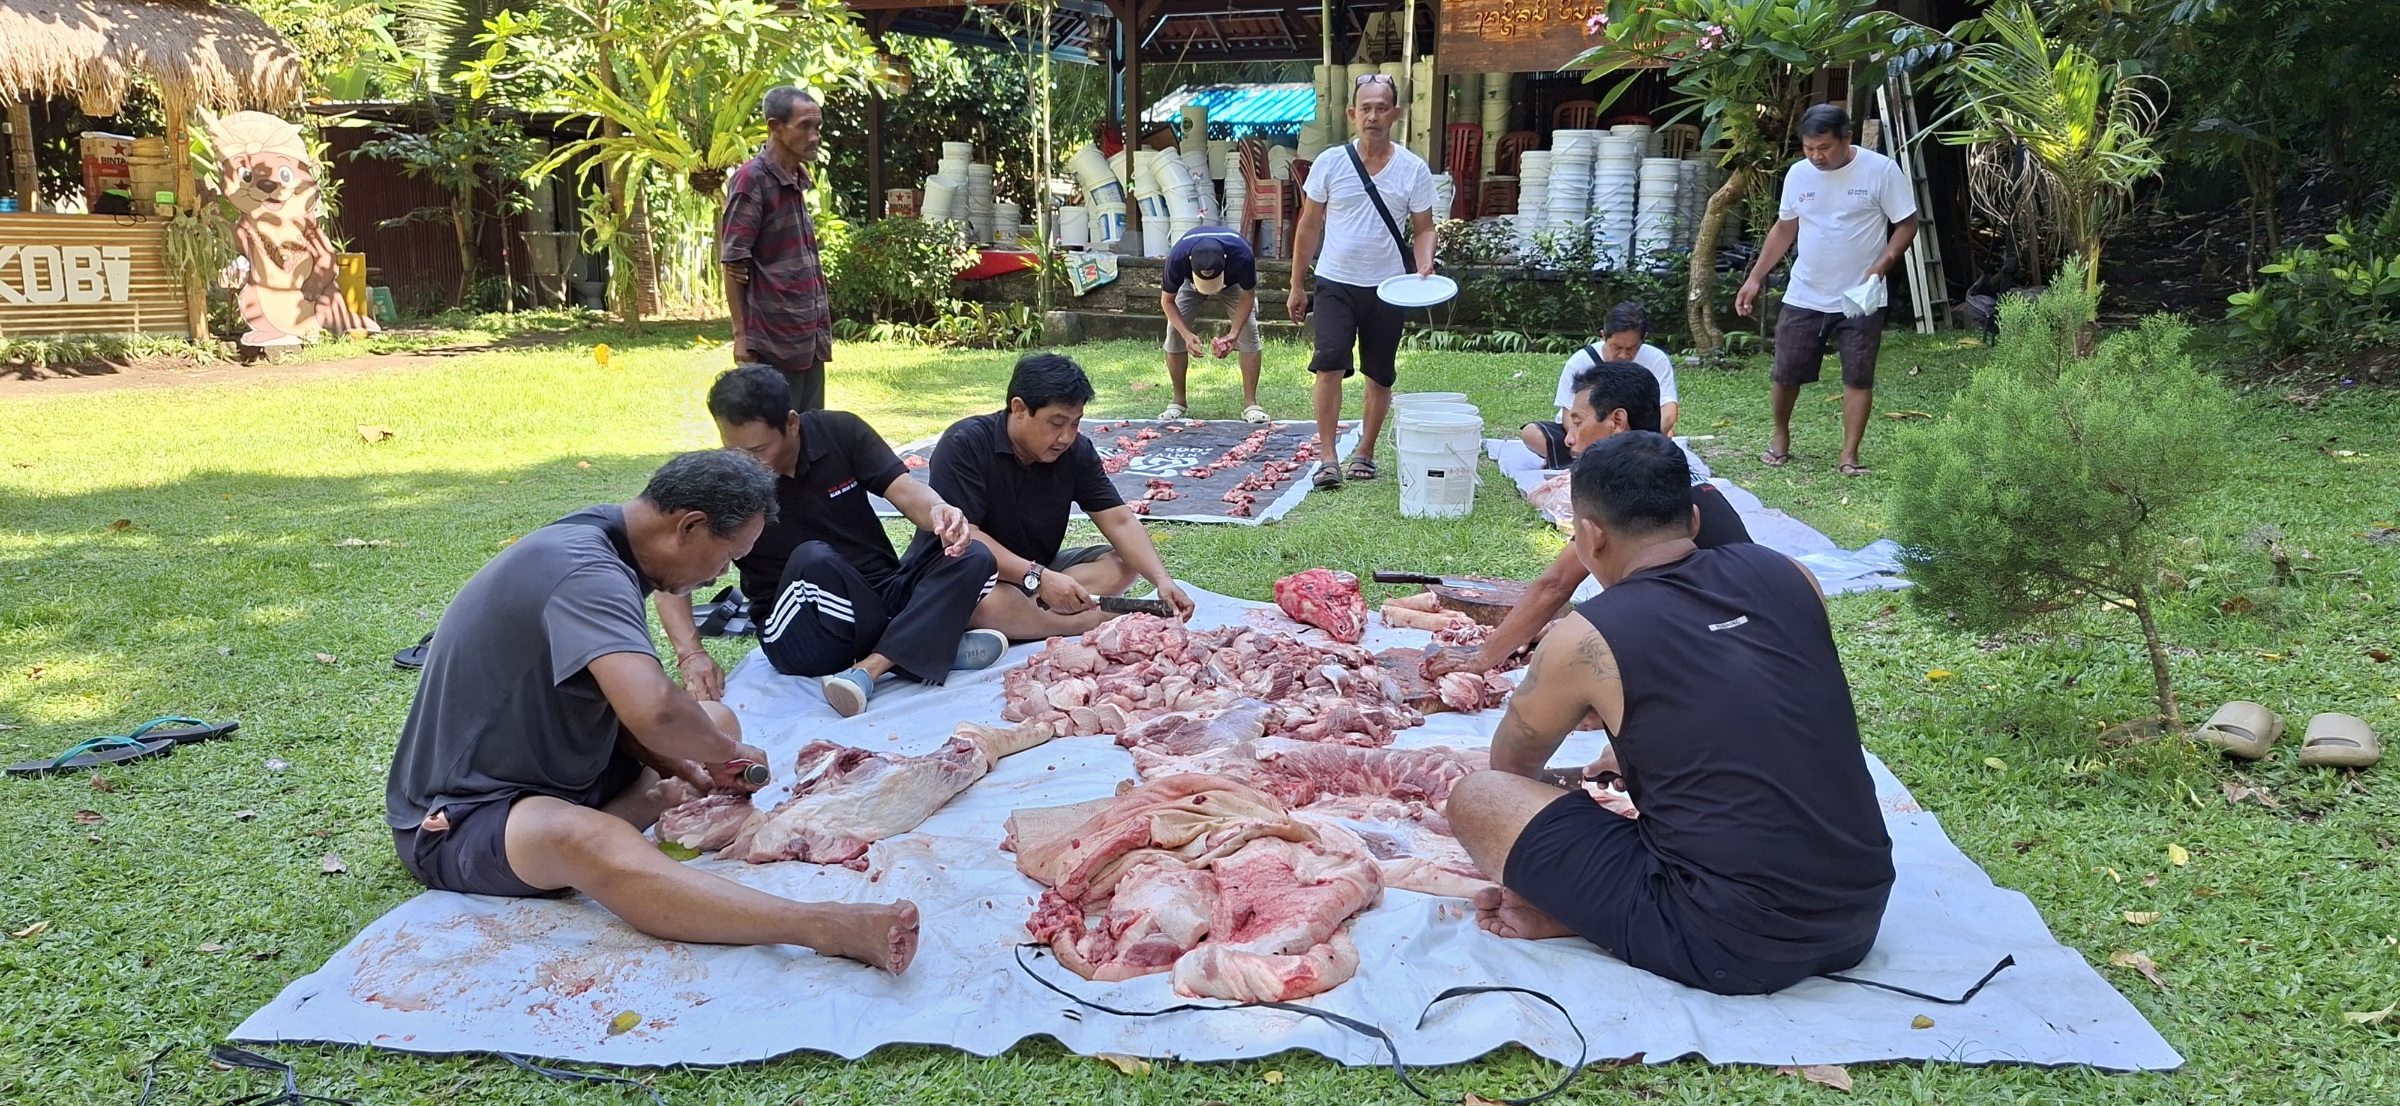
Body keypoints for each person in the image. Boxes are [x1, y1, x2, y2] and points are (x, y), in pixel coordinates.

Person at [384, 450, 919, 972]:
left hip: (565, 773)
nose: (718, 577)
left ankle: (646, 807)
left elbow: (619, 709)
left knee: (713, 722)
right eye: (727, 555)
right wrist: (726, 757)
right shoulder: (585, 572)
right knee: (590, 837)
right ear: (689, 526)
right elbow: (655, 713)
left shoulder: (604, 545)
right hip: (466, 815)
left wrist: (688, 762)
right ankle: (818, 926)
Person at [1443, 432, 1892, 995]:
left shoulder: (1588, 636)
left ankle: (1584, 912)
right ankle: (1602, 908)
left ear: (1590, 535)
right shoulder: (1790, 575)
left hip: (1728, 942)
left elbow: (1510, 768)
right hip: (1857, 914)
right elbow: (1764, 706)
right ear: (1696, 521)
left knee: (1478, 797)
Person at [656, 365, 1007, 719]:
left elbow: (904, 490)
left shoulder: (839, 431)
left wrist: (941, 511)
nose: (746, 463)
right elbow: (670, 573)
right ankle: (923, 644)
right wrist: (691, 654)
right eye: (732, 450)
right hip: (800, 625)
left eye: (758, 449)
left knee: (974, 555)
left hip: (876, 597)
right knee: (814, 559)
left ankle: (877, 664)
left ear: (792, 423)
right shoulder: (724, 480)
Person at [1429, 362, 1748, 678]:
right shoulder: (1663, 465)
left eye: (1578, 423)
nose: (1569, 439)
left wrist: (1482, 655)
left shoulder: (1632, 485)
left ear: (1618, 421)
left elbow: (1557, 584)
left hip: (1718, 648)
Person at [912, 352, 1197, 640]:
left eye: (1075, 423)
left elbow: (1120, 521)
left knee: (1126, 565)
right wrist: (1039, 577)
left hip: (1035, 574)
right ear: (1019, 409)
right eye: (1056, 423)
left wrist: (1162, 580)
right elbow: (965, 538)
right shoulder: (964, 444)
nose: (1066, 437)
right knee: (986, 603)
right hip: (963, 573)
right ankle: (1081, 622)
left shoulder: (1077, 452)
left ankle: (1024, 619)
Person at [1736, 103, 1918, 478]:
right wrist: (1755, 277)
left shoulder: (1880, 170)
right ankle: (1781, 436)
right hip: (1805, 291)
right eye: (1808, 148)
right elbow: (1784, 229)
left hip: (1860, 296)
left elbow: (1907, 224)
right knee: (1785, 372)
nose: (1816, 156)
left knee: (1858, 375)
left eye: (1824, 148)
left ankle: (1849, 455)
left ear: (1846, 139)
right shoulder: (1798, 175)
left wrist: (1882, 265)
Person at [1285, 71, 1439, 491]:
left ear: (1396, 114)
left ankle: (1366, 453)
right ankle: (1328, 457)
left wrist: (1424, 263)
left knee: (1380, 373)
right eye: (1365, 108)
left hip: (1389, 288)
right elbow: (1308, 226)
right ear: (1353, 114)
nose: (1373, 116)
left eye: (1381, 108)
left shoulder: (1412, 168)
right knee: (1329, 365)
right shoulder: (1331, 162)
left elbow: (1424, 228)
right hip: (1335, 282)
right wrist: (1298, 284)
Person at [722, 86, 833, 414]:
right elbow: (732, 262)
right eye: (804, 126)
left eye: (818, 127)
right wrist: (741, 337)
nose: (814, 136)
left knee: (812, 436)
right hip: (772, 342)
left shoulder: (798, 178)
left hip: (808, 341)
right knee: (774, 441)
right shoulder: (751, 180)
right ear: (775, 126)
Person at [1519, 302, 1680, 468]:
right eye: (1616, 347)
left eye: (1633, 348)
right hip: (1585, 431)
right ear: (1604, 336)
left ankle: (1585, 461)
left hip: (1633, 434)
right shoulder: (1580, 361)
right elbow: (1570, 415)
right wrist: (1578, 436)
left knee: (1662, 435)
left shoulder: (1656, 360)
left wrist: (1648, 439)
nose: (1624, 355)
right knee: (1533, 434)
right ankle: (1597, 458)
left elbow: (1668, 410)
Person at [1159, 227, 1268, 423]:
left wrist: (1234, 333)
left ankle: (1251, 404)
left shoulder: (1242, 254)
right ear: (1190, 261)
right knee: (1174, 331)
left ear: (1226, 258)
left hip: (1233, 283)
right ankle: (1178, 402)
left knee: (1249, 331)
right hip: (1188, 283)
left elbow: (1248, 296)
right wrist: (1186, 334)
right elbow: (1167, 301)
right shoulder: (1177, 257)